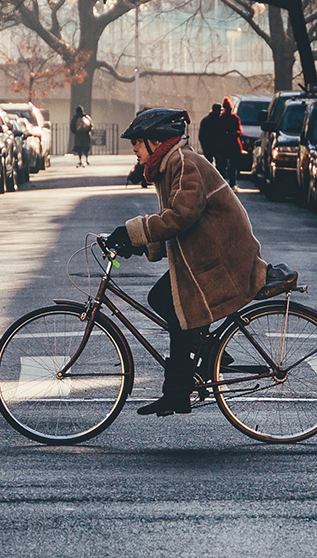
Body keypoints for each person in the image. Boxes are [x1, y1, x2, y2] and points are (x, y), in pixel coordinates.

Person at [105, 108, 268, 416]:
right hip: (205, 259)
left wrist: (132, 232)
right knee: (164, 301)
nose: (134, 150)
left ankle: (180, 390)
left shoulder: (184, 163)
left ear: (156, 141)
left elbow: (181, 217)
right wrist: (137, 244)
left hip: (223, 262)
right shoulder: (170, 166)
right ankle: (205, 358)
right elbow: (175, 223)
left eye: (137, 143)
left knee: (181, 315)